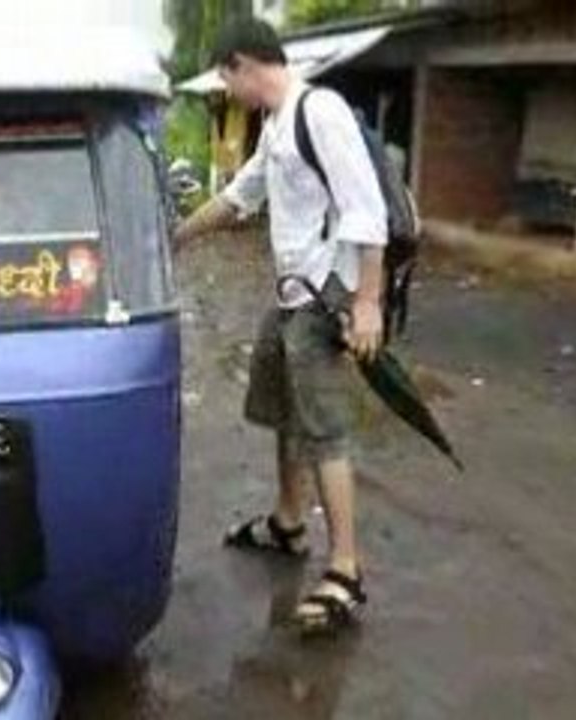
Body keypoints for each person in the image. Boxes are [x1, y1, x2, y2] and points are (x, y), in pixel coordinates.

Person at [173, 19, 388, 635]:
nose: (227, 90)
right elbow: (240, 196)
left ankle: (347, 568)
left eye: (225, 76)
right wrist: (177, 238)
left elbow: (364, 210)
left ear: (243, 63)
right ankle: (289, 521)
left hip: (328, 296)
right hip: (292, 296)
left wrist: (367, 302)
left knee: (324, 428)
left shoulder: (320, 111)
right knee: (278, 403)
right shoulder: (277, 125)